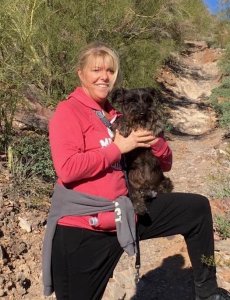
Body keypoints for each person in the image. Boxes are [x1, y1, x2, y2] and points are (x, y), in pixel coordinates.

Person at [42, 41, 230, 300]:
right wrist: (118, 148)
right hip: (85, 227)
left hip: (125, 212)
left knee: (196, 210)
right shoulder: (68, 112)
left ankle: (208, 293)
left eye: (109, 71)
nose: (103, 76)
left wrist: (157, 142)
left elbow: (163, 161)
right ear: (81, 74)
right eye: (96, 70)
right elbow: (67, 169)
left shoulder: (115, 113)